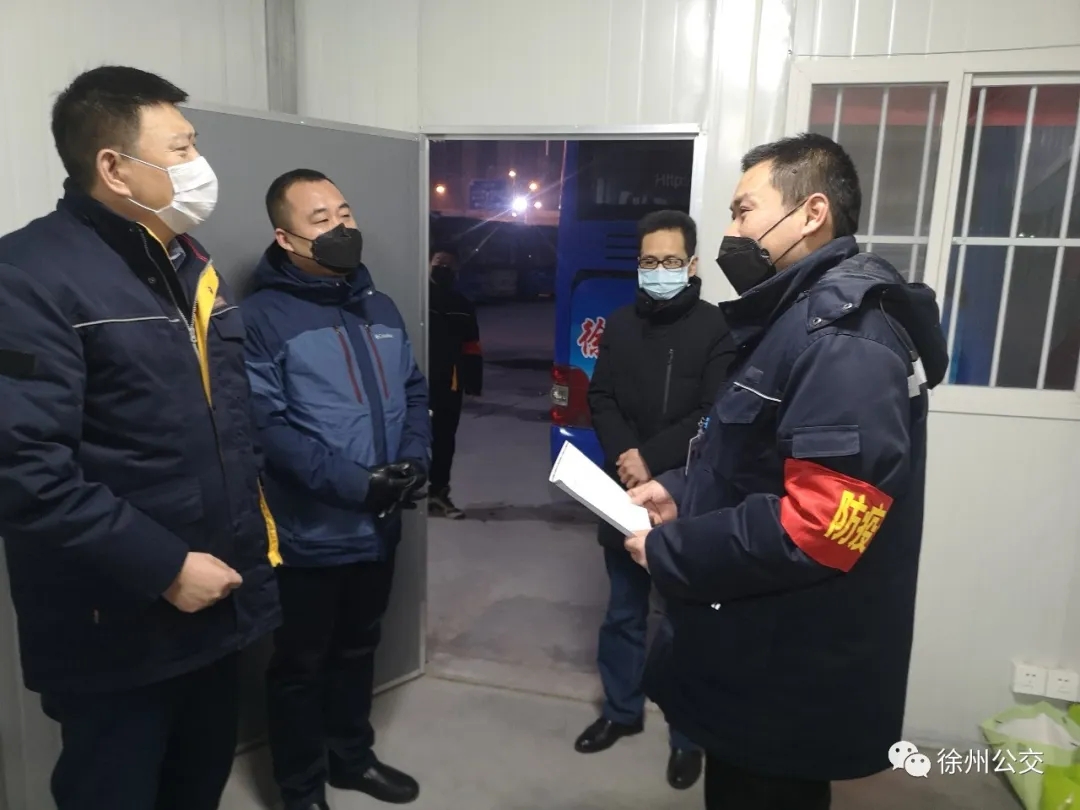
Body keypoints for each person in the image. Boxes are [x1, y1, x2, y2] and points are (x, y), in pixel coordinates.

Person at [625, 133, 950, 810]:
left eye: (744, 211)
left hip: (785, 668)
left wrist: (672, 549)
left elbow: (821, 526)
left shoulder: (845, 342)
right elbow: (753, 461)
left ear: (811, 213)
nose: (731, 231)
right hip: (756, 647)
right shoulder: (796, 321)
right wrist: (679, 491)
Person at [0, 65, 282, 810]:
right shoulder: (27, 276)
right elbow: (23, 470)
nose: (198, 163)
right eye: (181, 148)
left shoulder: (190, 265)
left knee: (196, 786)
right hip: (116, 626)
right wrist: (164, 567)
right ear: (114, 167)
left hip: (216, 602)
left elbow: (227, 432)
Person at [242, 168, 430, 810]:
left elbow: (413, 391)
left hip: (379, 525)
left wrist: (415, 458)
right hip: (308, 534)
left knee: (358, 647)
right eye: (320, 219)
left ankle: (351, 759)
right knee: (300, 666)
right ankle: (300, 790)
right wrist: (357, 484)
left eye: (344, 213)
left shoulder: (380, 306)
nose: (340, 227)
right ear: (286, 237)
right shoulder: (260, 318)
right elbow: (267, 428)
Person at [575, 210, 734, 791]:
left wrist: (652, 458)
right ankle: (621, 711)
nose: (659, 271)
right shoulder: (620, 325)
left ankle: (687, 736)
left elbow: (714, 412)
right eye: (648, 261)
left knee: (682, 619)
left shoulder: (716, 328)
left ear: (691, 265)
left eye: (670, 261)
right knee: (623, 610)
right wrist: (627, 456)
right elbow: (602, 397)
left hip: (685, 494)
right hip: (622, 490)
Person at [427, 246, 483, 519]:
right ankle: (410, 496)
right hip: (415, 382)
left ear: (457, 270)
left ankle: (438, 494)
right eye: (439, 262)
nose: (443, 268)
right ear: (428, 264)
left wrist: (473, 382)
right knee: (411, 438)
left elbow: (471, 345)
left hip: (450, 383)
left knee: (444, 440)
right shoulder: (416, 297)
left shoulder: (462, 305)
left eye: (449, 265)